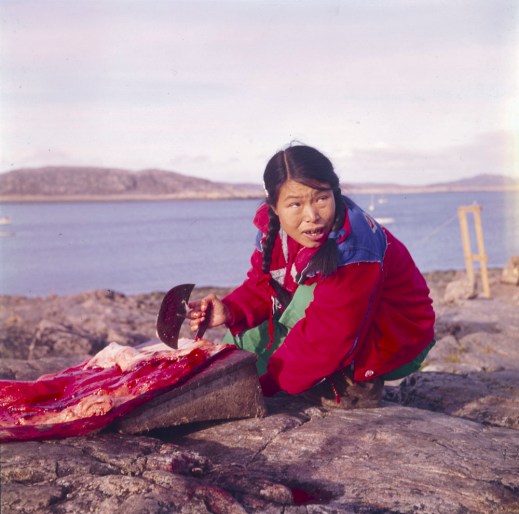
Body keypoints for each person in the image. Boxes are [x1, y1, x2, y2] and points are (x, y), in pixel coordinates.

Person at [189, 144, 435, 408]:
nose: (312, 216)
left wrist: (269, 386)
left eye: (321, 198)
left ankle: (355, 382)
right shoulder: (275, 232)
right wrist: (230, 309)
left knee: (276, 357)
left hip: (391, 333)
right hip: (337, 319)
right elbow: (263, 286)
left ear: (335, 194)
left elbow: (329, 336)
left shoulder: (354, 249)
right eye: (295, 203)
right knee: (238, 349)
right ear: (275, 207)